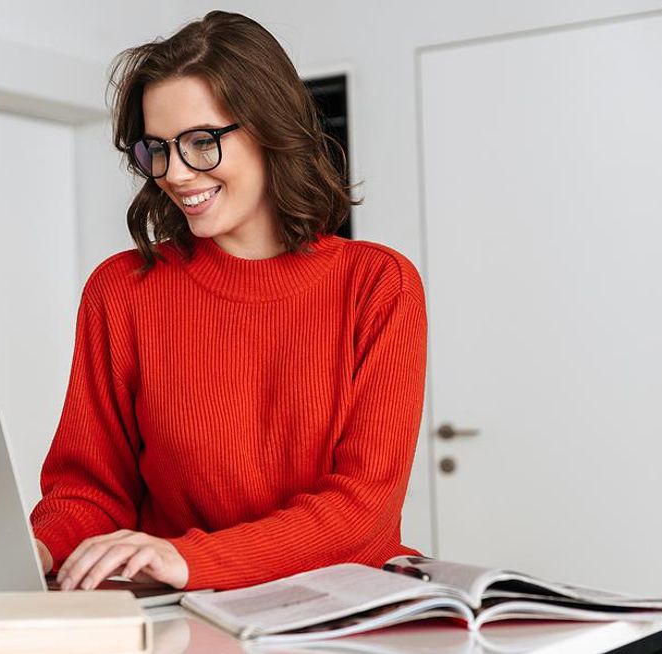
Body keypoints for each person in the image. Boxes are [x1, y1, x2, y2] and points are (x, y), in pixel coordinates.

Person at [30, 10, 427, 593]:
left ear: (271, 127)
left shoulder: (376, 284)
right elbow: (90, 491)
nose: (177, 173)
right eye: (158, 148)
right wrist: (38, 547)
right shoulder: (121, 290)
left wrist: (187, 559)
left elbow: (362, 511)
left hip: (331, 611)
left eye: (200, 142)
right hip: (180, 615)